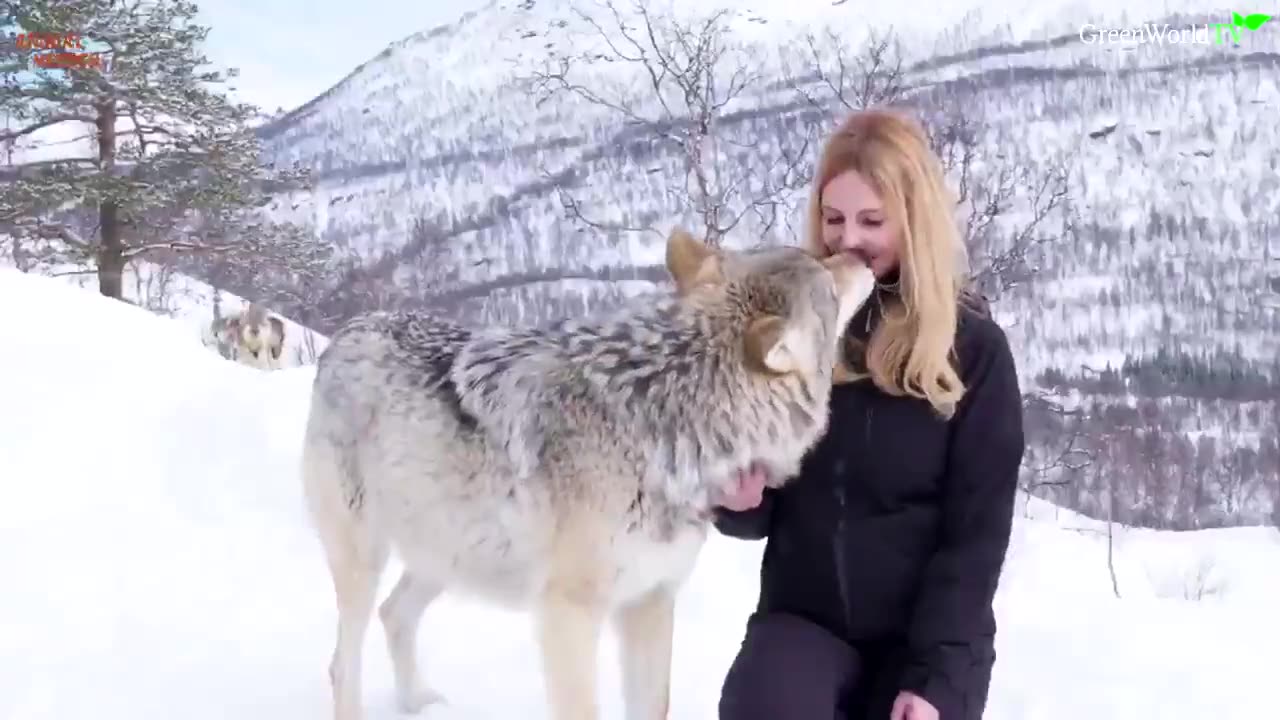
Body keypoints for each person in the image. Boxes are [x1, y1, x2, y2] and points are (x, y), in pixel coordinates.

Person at [712, 107, 1026, 720]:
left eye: (872, 220)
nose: (847, 238)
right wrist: (739, 499)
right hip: (804, 622)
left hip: (924, 641)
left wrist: (937, 681)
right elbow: (765, 502)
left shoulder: (973, 352)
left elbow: (976, 538)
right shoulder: (792, 332)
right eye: (833, 218)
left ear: (914, 219)